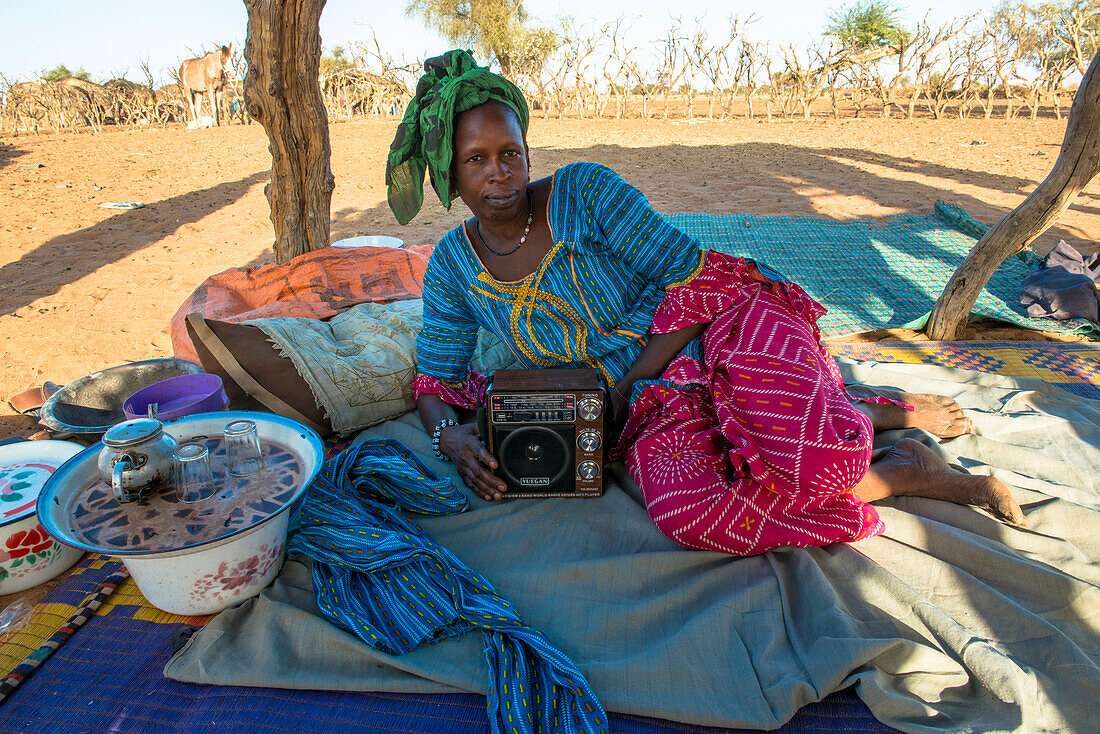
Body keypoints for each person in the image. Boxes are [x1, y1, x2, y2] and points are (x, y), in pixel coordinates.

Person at [386, 50, 1027, 556]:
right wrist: (450, 438)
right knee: (690, 514)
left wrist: (627, 383)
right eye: (477, 160)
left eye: (510, 153)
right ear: (450, 174)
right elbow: (434, 380)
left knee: (821, 458)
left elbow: (696, 277)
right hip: (642, 410)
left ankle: (901, 444)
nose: (500, 173)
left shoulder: (584, 192)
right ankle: (905, 469)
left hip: (718, 330)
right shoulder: (453, 265)